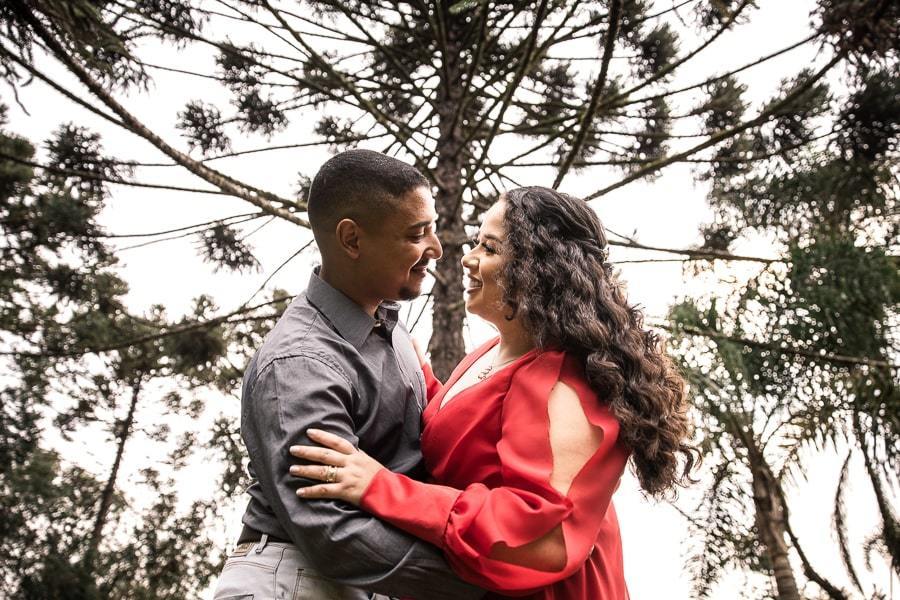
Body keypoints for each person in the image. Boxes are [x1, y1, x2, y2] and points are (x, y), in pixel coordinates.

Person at [288, 186, 698, 599]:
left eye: (489, 247)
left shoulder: (561, 387)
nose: (467, 259)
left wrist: (380, 486)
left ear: (537, 268)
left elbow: (537, 535)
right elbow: (465, 434)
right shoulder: (494, 353)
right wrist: (412, 369)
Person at [213, 149, 483, 600]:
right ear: (352, 240)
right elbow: (330, 530)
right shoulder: (300, 362)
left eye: (433, 229)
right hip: (293, 582)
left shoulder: (391, 331)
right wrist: (481, 586)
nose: (436, 249)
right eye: (417, 234)